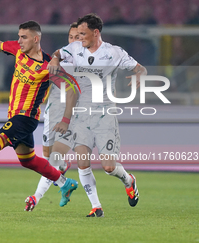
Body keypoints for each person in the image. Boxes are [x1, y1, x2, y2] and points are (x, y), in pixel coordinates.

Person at [0, 21, 78, 209]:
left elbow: (73, 87)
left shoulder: (47, 66)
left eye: (23, 37)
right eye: (18, 36)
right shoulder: (18, 51)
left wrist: (66, 118)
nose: (19, 40)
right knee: (28, 160)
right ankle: (65, 183)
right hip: (15, 117)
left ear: (35, 39)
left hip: (25, 118)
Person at [49, 13, 146, 217]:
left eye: (83, 34)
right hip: (81, 115)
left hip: (104, 115)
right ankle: (96, 206)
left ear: (95, 33)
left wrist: (139, 75)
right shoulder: (75, 48)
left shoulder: (114, 53)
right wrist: (55, 60)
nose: (79, 37)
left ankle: (129, 180)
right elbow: (57, 53)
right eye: (77, 34)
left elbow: (140, 68)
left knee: (109, 166)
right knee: (82, 162)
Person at [24, 22, 80, 211]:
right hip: (51, 113)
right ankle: (62, 170)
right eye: (71, 37)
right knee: (48, 157)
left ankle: (35, 197)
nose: (74, 41)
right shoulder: (57, 61)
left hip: (72, 116)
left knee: (53, 159)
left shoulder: (87, 64)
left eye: (78, 37)